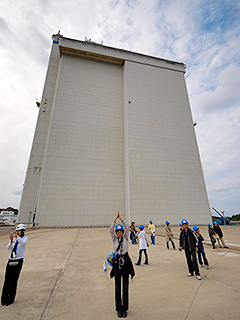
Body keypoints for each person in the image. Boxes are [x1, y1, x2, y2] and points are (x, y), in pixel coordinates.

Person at [110, 212, 135, 318]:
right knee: (117, 287)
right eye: (118, 232)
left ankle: (125, 308)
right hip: (117, 264)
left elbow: (127, 227)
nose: (119, 233)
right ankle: (118, 308)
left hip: (125, 264)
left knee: (125, 286)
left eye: (121, 231)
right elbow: (110, 230)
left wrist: (122, 220)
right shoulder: (114, 239)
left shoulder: (125, 238)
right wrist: (114, 221)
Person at [1, 224, 28, 306]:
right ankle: (4, 299)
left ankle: (11, 299)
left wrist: (17, 237)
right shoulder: (15, 239)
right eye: (17, 231)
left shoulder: (24, 238)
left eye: (19, 231)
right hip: (11, 260)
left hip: (18, 261)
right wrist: (11, 240)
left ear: (23, 231)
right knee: (7, 281)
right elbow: (8, 248)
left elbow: (22, 243)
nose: (17, 232)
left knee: (13, 281)